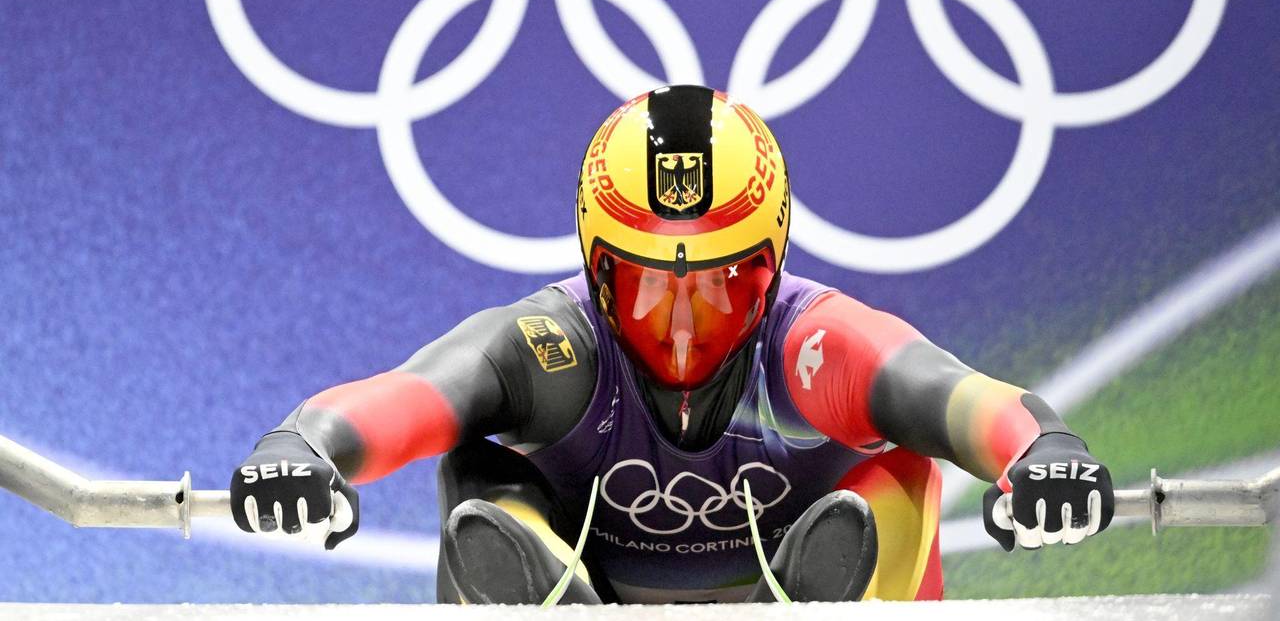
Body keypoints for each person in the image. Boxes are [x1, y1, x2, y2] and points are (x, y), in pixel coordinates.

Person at [230, 85, 1114, 603]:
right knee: (480, 477)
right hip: (595, 590)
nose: (684, 327)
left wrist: (1041, 452)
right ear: (598, 269)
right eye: (651, 286)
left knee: (899, 468)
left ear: (769, 267)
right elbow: (408, 396)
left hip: (827, 586)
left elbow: (960, 398)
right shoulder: (551, 347)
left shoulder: (818, 342)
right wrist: (303, 447)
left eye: (720, 283)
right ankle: (552, 603)